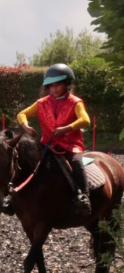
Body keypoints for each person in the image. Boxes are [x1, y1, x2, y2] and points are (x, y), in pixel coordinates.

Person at [16, 63, 92, 216]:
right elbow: (21, 114)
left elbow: (85, 120)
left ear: (67, 84)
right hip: (47, 145)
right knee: (27, 161)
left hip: (70, 146)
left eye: (58, 84)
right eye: (51, 86)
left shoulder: (75, 102)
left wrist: (66, 129)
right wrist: (25, 126)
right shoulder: (41, 103)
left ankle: (83, 196)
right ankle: (15, 196)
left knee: (77, 162)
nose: (54, 88)